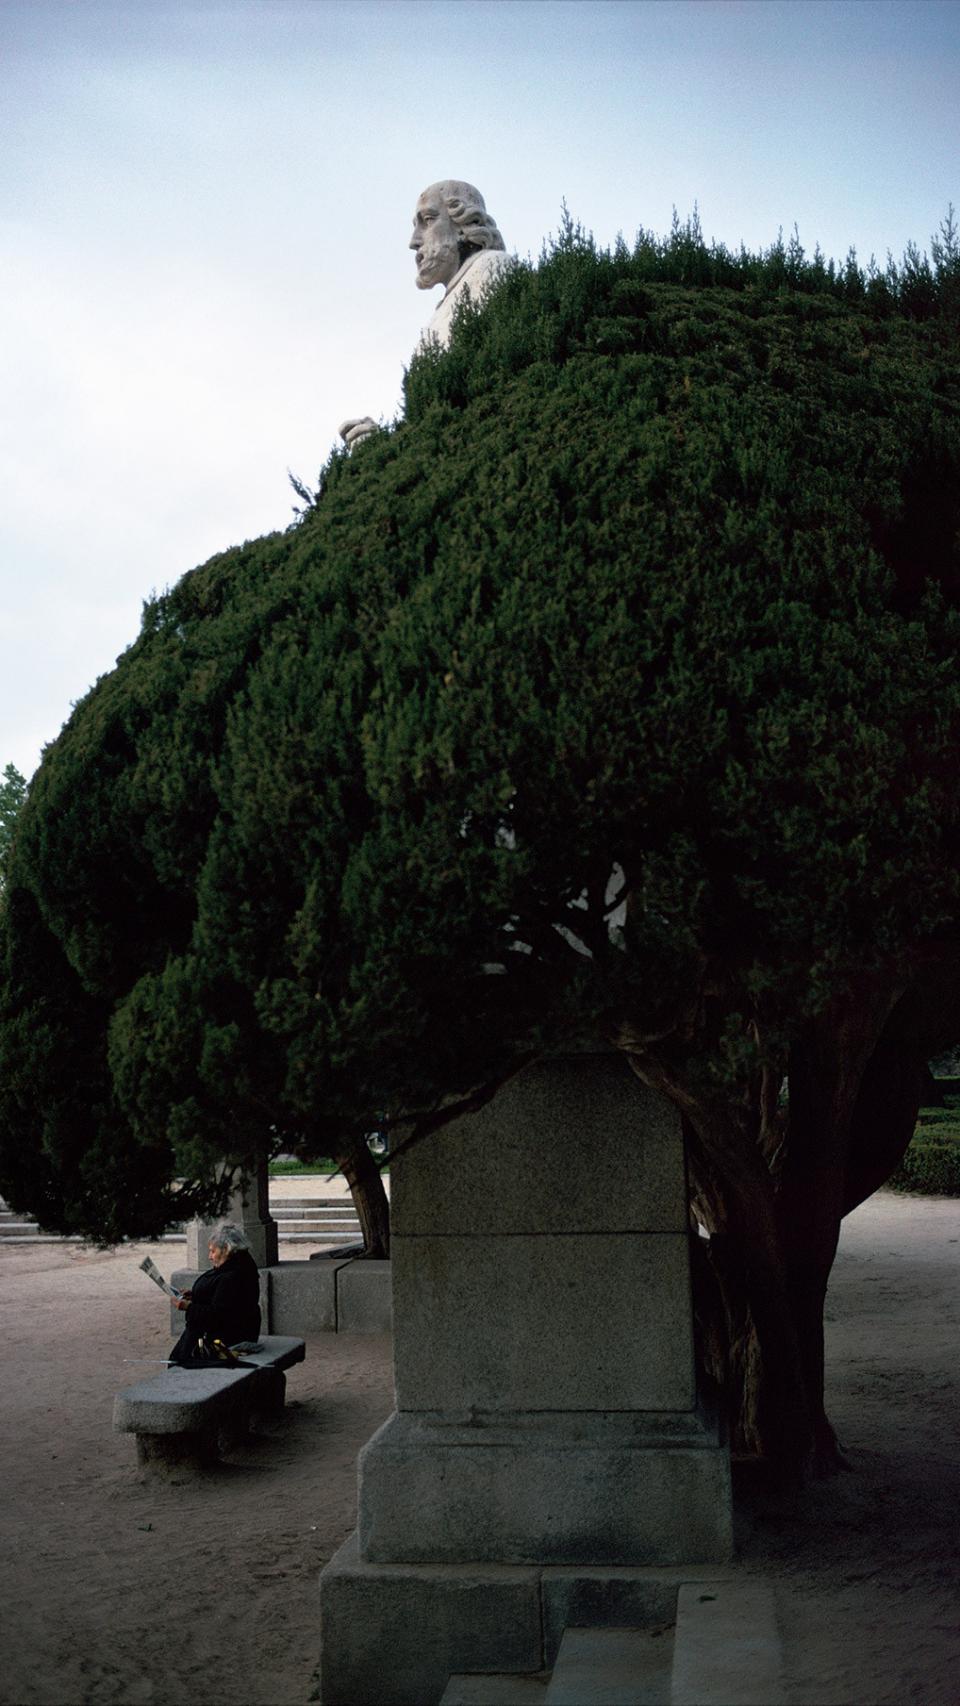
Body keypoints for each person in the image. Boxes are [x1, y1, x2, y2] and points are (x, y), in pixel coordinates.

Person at [340, 179, 512, 450]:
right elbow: (434, 417)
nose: (414, 241)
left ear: (464, 226)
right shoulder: (442, 311)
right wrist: (379, 447)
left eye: (428, 220)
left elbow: (479, 384)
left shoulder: (491, 267)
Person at [168, 1222, 261, 1366]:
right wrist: (196, 1295)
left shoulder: (232, 1276)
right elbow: (226, 1300)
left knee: (178, 1362)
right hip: (240, 1331)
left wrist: (188, 1307)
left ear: (226, 1250)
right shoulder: (239, 1265)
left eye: (213, 1251)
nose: (210, 1256)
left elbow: (218, 1315)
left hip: (226, 1338)